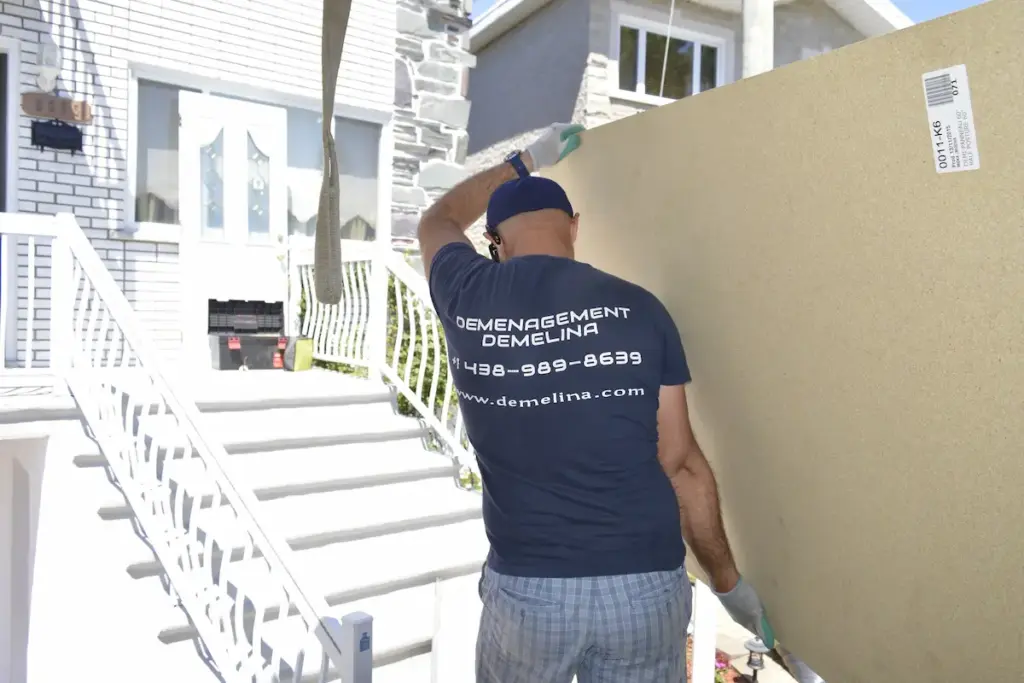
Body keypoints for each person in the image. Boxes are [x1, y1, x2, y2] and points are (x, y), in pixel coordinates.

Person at [418, 122, 776, 683]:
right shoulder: (642, 310)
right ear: (575, 229)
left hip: (529, 595)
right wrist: (729, 583)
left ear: (495, 241)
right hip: (644, 591)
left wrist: (525, 161)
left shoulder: (467, 297)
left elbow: (436, 220)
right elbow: (680, 463)